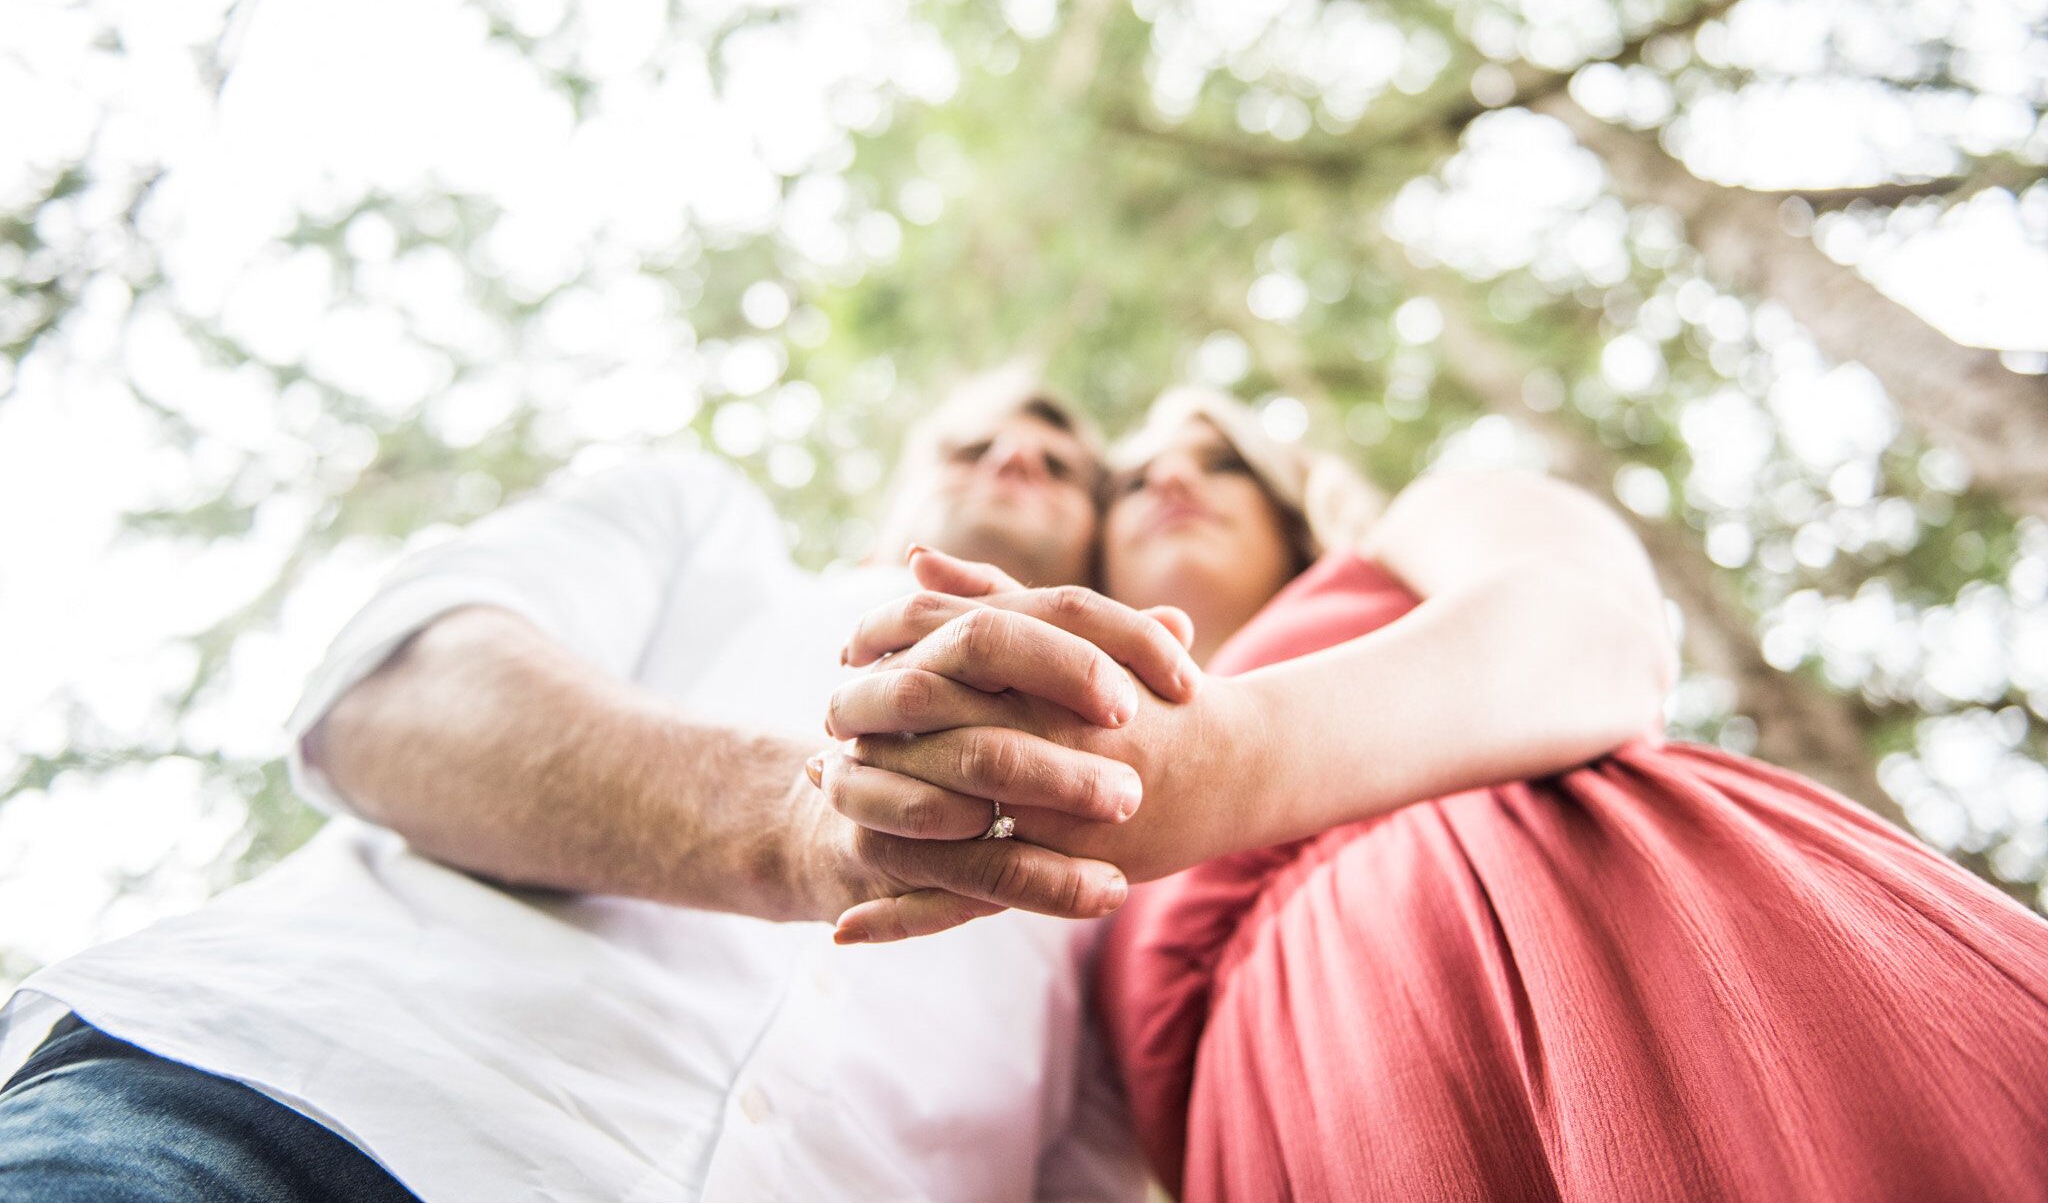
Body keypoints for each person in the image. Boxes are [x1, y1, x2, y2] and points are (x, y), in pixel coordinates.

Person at [817, 387, 2048, 1200]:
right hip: (1308, 1149)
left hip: (1649, 961)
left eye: (1218, 462)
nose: (1167, 485)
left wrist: (1220, 761)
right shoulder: (1067, 790)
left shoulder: (1411, 539)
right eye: (1132, 478)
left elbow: (1605, 634)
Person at [0, 373, 1192, 1203]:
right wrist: (795, 819)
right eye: (968, 442)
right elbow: (401, 699)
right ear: (896, 497)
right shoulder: (702, 532)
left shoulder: (1143, 827)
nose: (1014, 455)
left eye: (1064, 462)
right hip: (286, 1115)